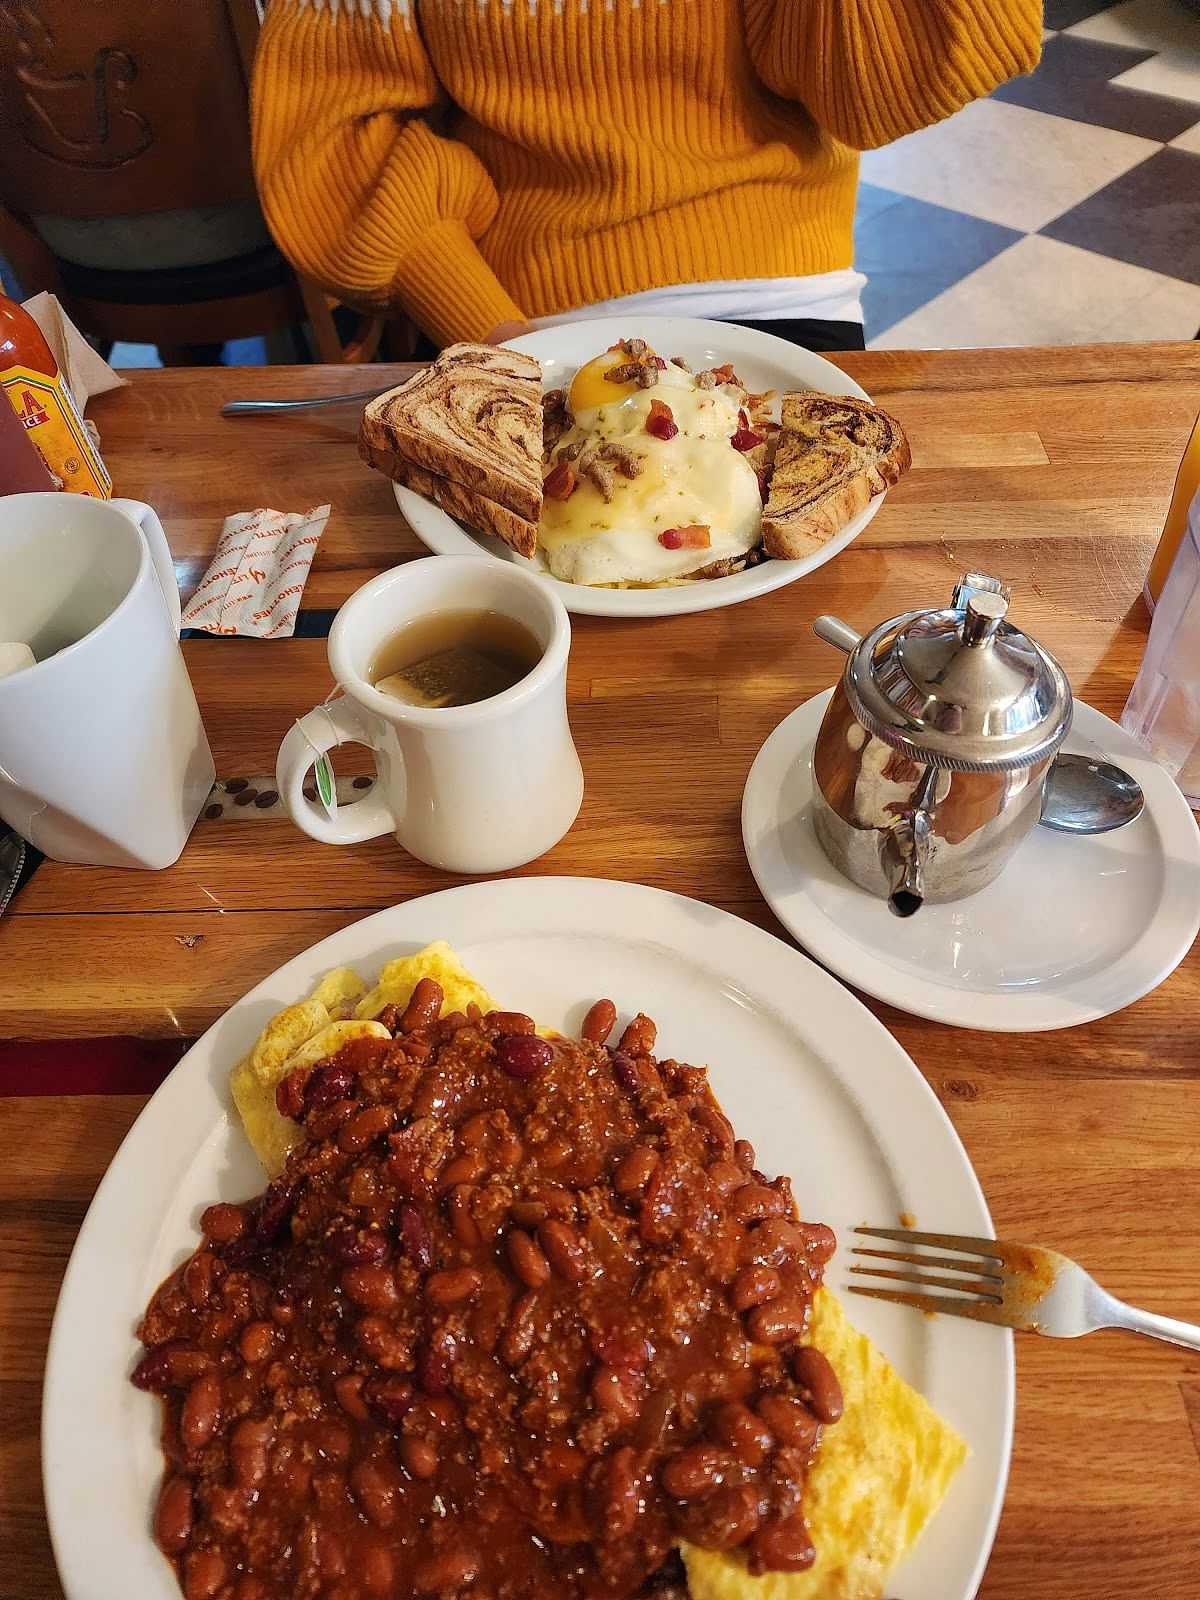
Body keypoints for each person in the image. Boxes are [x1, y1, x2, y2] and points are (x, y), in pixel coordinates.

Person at [252, 0, 1041, 353]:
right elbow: (335, 139)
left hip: (782, 295)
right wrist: (495, 337)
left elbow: (890, 78)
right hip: (511, 312)